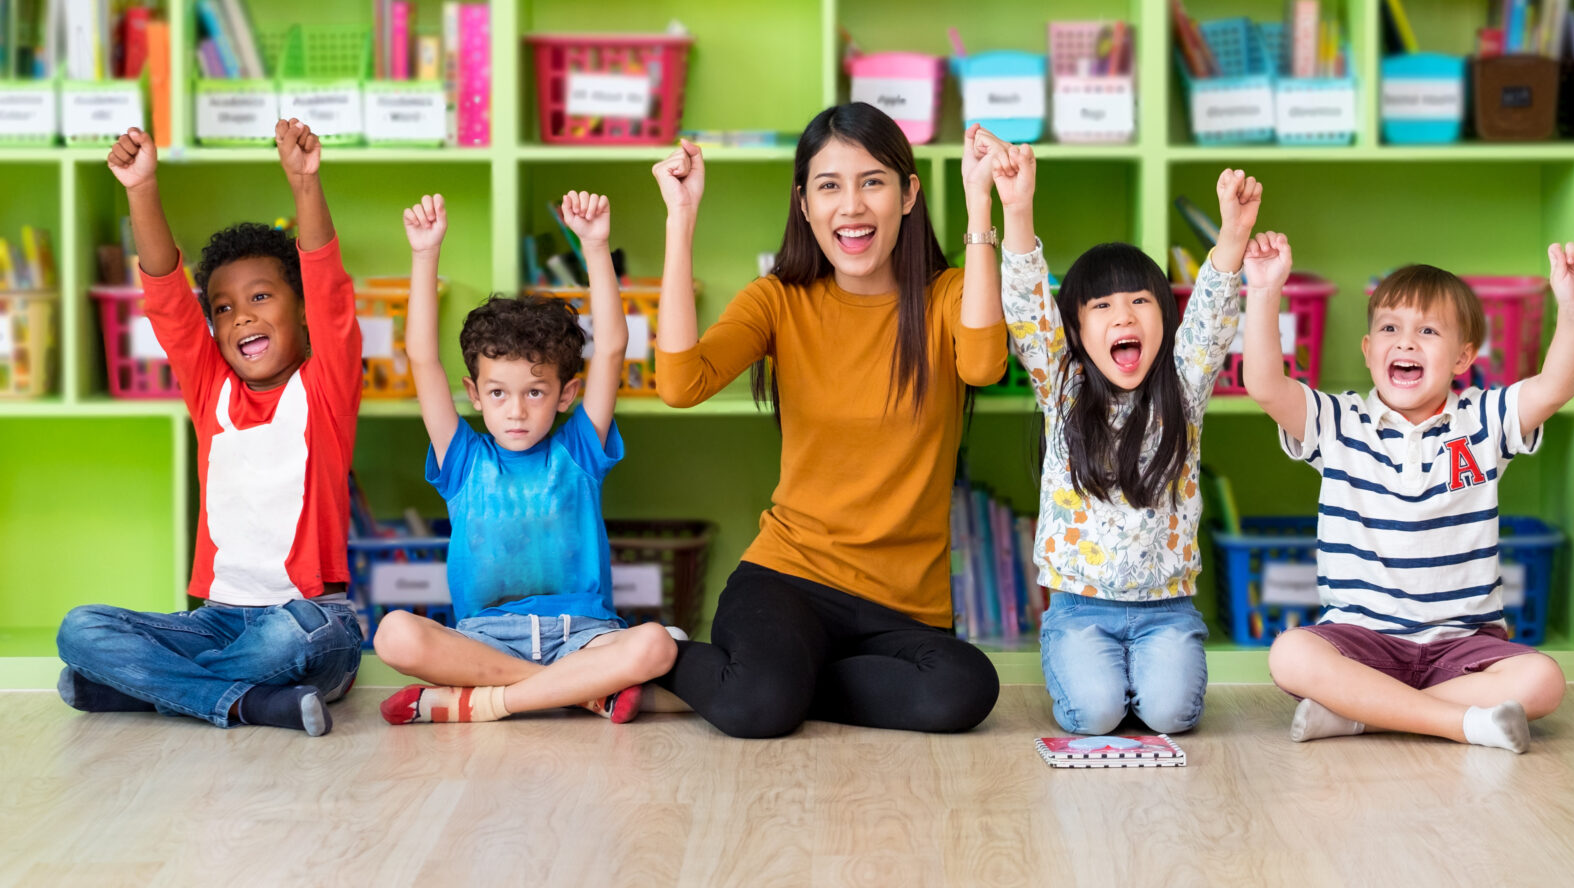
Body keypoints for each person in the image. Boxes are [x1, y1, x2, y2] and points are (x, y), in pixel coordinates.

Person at [649, 104, 1011, 737]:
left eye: (873, 181)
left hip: (905, 607)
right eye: (829, 186)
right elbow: (681, 384)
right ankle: (656, 657)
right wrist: (681, 221)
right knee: (756, 711)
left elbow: (982, 365)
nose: (852, 206)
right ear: (804, 204)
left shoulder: (949, 294)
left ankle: (790, 678)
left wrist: (980, 206)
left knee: (963, 689)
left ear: (908, 195)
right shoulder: (777, 300)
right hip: (790, 579)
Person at [56, 121, 363, 736]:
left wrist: (305, 182)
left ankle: (148, 688)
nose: (241, 316)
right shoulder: (211, 389)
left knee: (296, 638)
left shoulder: (325, 387)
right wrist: (141, 187)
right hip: (217, 620)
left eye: (261, 298)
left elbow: (330, 287)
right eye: (223, 308)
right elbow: (168, 298)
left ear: (299, 310)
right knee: (80, 628)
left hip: (308, 619)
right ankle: (250, 703)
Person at [1244, 237, 1574, 754]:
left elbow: (1556, 386)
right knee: (1290, 654)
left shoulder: (1483, 420)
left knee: (1544, 679)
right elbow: (1264, 384)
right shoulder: (1337, 422)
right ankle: (1459, 723)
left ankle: (1365, 713)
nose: (1406, 343)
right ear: (1368, 352)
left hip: (1462, 643)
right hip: (1361, 639)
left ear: (1463, 357)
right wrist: (1264, 290)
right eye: (1390, 329)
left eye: (1427, 331)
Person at [374, 190, 678, 724]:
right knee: (394, 634)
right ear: (474, 393)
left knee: (655, 644)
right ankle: (582, 693)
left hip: (584, 637)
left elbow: (610, 347)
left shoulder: (579, 450)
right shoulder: (464, 459)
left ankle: (483, 703)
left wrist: (596, 246)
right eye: (498, 394)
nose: (515, 411)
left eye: (534, 393)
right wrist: (424, 255)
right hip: (486, 642)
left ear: (565, 395)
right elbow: (422, 359)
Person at [998, 149, 1256, 736]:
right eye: (1104, 306)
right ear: (1076, 330)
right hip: (1078, 608)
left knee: (1170, 715)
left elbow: (1213, 321)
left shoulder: (1184, 387)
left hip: (1166, 610)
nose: (1125, 316)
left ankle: (1140, 678)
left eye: (1141, 302)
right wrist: (1017, 208)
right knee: (1093, 714)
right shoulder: (1061, 387)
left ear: (1165, 319)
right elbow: (1028, 308)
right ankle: (1106, 679)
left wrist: (1233, 238)